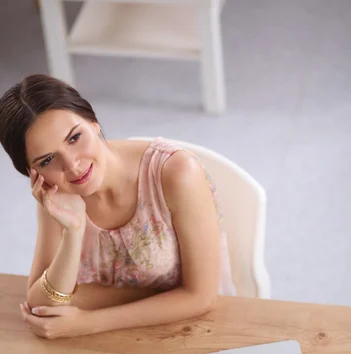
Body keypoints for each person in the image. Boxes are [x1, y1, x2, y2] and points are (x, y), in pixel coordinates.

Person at [0, 74, 235, 339]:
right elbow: (42, 305)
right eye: (47, 160)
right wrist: (74, 230)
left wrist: (86, 321)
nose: (73, 166)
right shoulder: (57, 194)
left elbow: (201, 297)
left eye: (75, 138)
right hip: (116, 340)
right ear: (32, 172)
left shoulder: (175, 172)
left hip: (192, 331)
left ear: (93, 121)